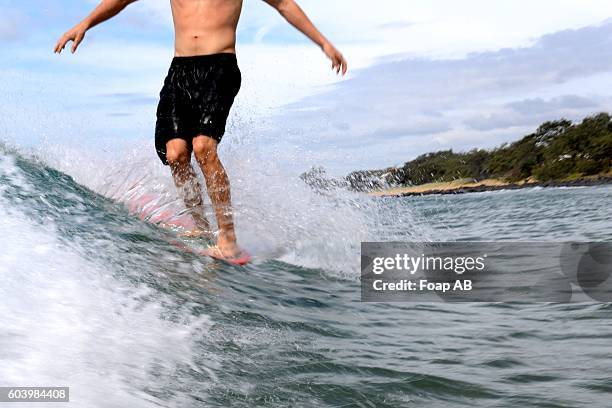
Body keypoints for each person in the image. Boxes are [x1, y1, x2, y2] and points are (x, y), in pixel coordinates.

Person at [55, 0, 348, 260]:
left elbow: (284, 4)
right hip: (180, 70)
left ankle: (228, 239)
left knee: (203, 147)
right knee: (176, 153)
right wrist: (85, 24)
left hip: (220, 66)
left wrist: (323, 43)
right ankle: (200, 227)